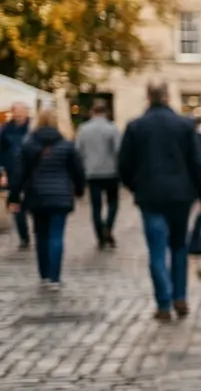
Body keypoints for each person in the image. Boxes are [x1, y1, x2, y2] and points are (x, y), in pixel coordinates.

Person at [119, 81, 201, 322]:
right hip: (181, 196)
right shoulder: (184, 125)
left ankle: (164, 302)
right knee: (179, 247)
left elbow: (124, 166)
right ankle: (179, 296)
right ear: (168, 96)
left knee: (157, 250)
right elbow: (197, 163)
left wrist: (136, 186)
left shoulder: (136, 127)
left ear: (148, 96)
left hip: (150, 196)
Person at [6, 108, 85, 288]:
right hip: (60, 196)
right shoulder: (66, 145)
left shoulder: (28, 145)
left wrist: (14, 196)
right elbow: (78, 172)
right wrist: (79, 191)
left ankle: (44, 274)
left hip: (37, 196)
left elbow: (19, 174)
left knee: (41, 235)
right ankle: (55, 278)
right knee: (56, 236)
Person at [75, 100, 121, 249]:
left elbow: (78, 152)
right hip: (111, 172)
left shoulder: (83, 129)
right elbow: (118, 151)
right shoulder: (112, 128)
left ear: (92, 112)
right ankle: (108, 227)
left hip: (92, 172)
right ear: (106, 112)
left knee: (96, 206)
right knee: (113, 202)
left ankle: (100, 234)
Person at [0, 102, 32, 249]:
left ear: (26, 113)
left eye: (22, 112)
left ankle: (38, 231)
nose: (19, 115)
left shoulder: (33, 129)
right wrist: (2, 172)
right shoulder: (6, 130)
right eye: (17, 112)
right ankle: (23, 236)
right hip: (13, 173)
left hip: (32, 174)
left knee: (35, 204)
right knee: (17, 205)